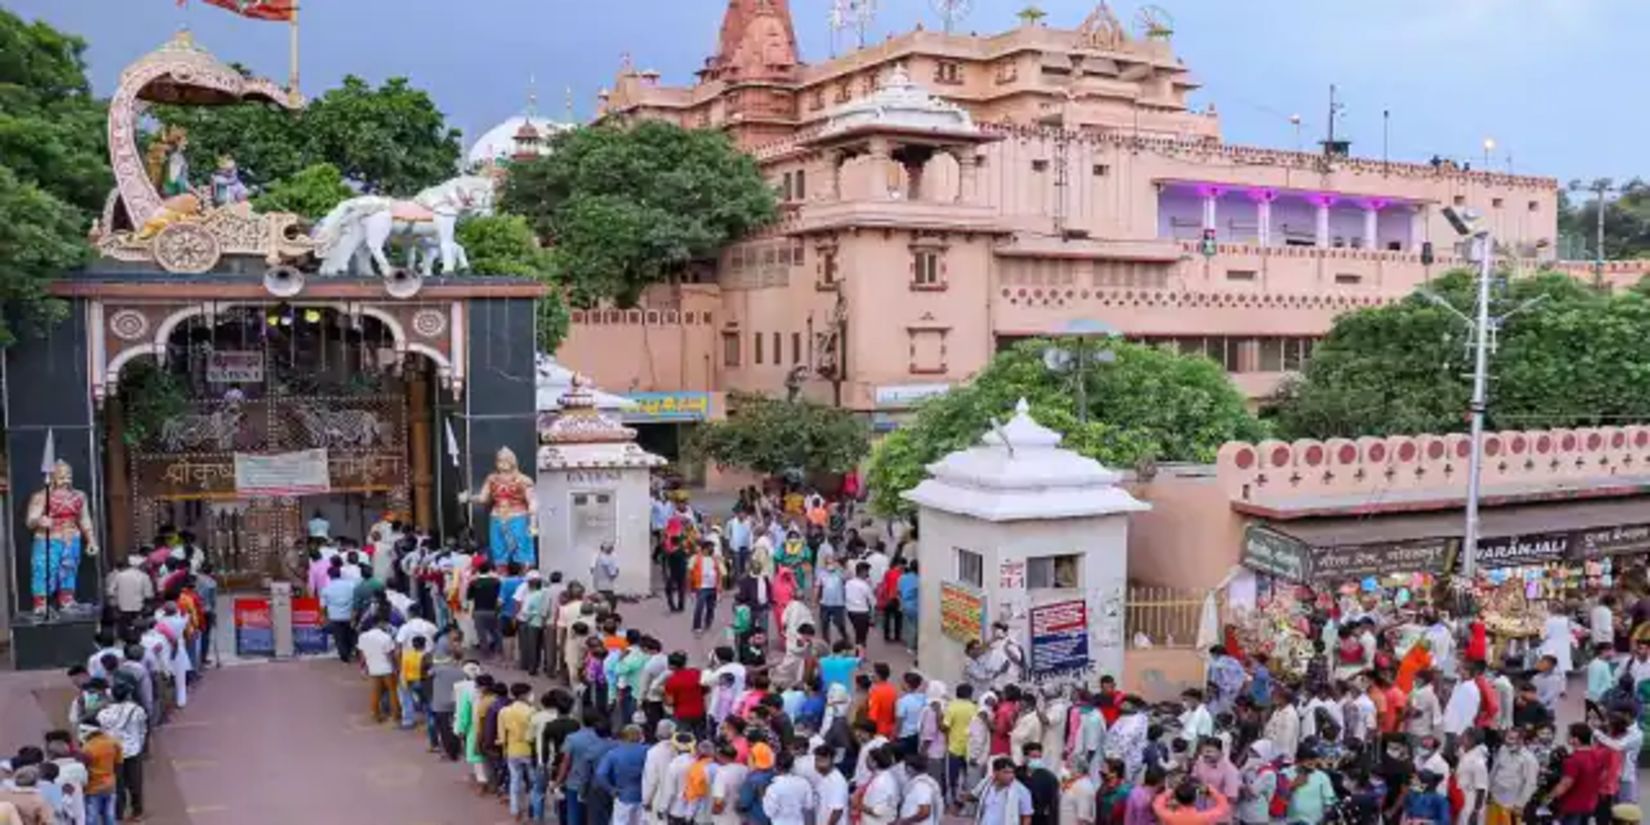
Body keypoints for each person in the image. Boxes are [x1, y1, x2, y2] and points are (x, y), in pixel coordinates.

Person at [1543, 723, 1604, 825]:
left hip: (1571, 806)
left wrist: (1547, 798)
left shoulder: (1573, 760)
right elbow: (1602, 777)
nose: (1566, 736)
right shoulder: (1597, 755)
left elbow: (1565, 784)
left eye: (1568, 734)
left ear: (1575, 739)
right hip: (1590, 804)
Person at [1488, 727, 1540, 825]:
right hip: (1495, 800)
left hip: (1512, 805)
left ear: (1521, 740)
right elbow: (1494, 772)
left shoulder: (1529, 759)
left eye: (1511, 738)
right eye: (1507, 737)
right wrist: (1489, 790)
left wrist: (1520, 805)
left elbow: (1530, 784)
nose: (1507, 741)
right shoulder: (1503, 750)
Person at [357, 620, 398, 724]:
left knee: (375, 693)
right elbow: (390, 655)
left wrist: (363, 668)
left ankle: (376, 715)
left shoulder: (363, 637)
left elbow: (362, 655)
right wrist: (396, 667)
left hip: (373, 668)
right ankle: (395, 715)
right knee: (393, 691)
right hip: (387, 669)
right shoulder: (386, 637)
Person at [762, 751, 814, 825]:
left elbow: (769, 813)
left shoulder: (773, 788)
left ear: (775, 767)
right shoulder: (804, 783)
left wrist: (764, 798)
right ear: (792, 765)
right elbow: (809, 806)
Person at [321, 567, 357, 661]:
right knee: (349, 634)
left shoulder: (326, 589)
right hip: (349, 615)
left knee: (339, 637)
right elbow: (355, 599)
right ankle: (350, 651)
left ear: (329, 576)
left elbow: (323, 606)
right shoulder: (351, 585)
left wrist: (324, 617)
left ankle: (344, 655)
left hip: (335, 617)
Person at [1151, 782, 1230, 825]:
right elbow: (1223, 806)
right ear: (1195, 799)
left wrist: (1170, 792)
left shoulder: (1168, 815)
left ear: (1177, 799)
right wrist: (1211, 791)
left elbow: (1157, 804)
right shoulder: (1204, 817)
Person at [1457, 729, 1492, 825]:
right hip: (1462, 798)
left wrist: (1475, 812)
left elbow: (1481, 789)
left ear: (1472, 740)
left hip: (1471, 803)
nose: (1461, 738)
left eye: (1464, 737)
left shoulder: (1478, 762)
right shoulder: (1465, 753)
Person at [845, 563, 876, 647]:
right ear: (863, 572)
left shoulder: (848, 583)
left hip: (850, 611)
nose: (868, 574)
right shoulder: (864, 585)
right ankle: (860, 656)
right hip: (862, 612)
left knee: (858, 634)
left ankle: (858, 654)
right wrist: (873, 617)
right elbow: (872, 602)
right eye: (867, 571)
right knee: (862, 637)